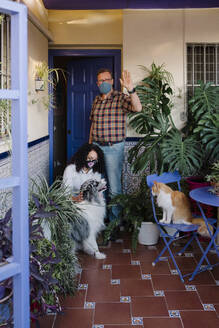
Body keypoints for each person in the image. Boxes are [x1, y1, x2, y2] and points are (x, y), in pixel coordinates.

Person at [89, 68, 142, 221]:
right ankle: (100, 220)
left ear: (112, 81)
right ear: (97, 83)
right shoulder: (96, 100)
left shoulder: (121, 98)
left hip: (114, 148)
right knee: (97, 186)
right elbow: (93, 124)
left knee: (114, 189)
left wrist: (131, 89)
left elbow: (138, 108)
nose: (103, 83)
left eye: (106, 80)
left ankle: (114, 224)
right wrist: (90, 146)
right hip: (96, 148)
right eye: (100, 80)